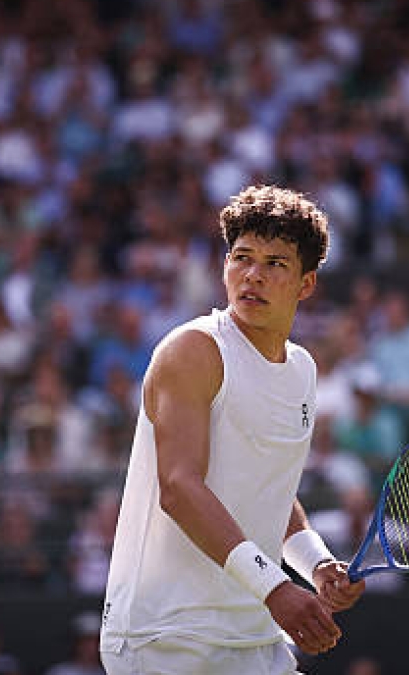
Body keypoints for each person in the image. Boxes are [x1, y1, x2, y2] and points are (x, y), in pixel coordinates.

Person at [101, 186, 364, 675]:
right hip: (166, 637)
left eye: (275, 263)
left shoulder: (303, 371)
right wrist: (276, 588)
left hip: (252, 636)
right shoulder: (193, 351)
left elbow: (269, 491)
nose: (253, 275)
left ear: (306, 285)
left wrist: (316, 565)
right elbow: (178, 488)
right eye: (242, 257)